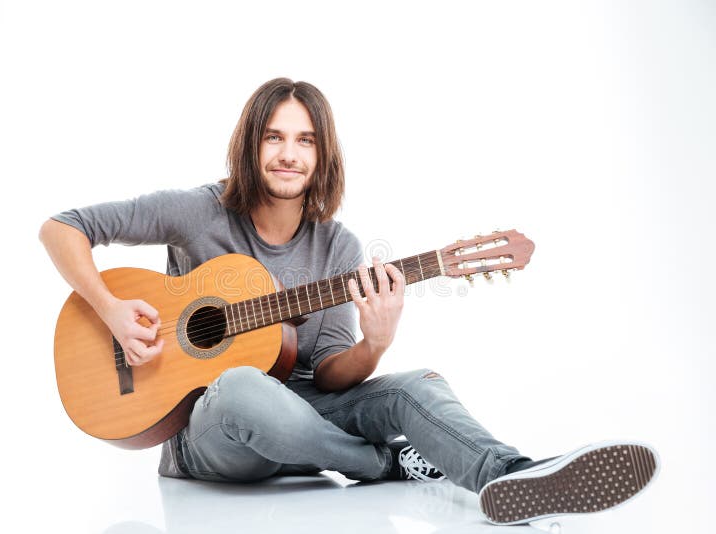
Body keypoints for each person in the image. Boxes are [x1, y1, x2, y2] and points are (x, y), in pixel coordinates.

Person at [39, 78, 658, 525]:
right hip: (211, 431)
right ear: (251, 145)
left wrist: (375, 343)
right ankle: (382, 464)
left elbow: (332, 375)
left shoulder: (339, 246)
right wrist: (112, 309)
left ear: (322, 154)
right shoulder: (197, 210)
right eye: (275, 138)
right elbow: (62, 227)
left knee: (417, 384)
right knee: (243, 385)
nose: (288, 154)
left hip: (304, 408)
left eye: (305, 141)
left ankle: (513, 477)